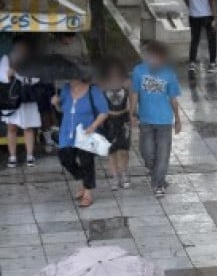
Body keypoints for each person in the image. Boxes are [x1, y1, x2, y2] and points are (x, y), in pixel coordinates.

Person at [130, 41, 182, 197]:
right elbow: (134, 93)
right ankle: (157, 175)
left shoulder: (169, 74)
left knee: (163, 154)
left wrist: (178, 119)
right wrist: (131, 113)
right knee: (146, 152)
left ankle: (158, 183)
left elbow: (173, 99)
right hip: (145, 119)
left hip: (165, 120)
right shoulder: (139, 71)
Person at [52, 69, 107, 207]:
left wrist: (93, 126)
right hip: (67, 132)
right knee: (65, 159)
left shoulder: (93, 90)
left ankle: (87, 192)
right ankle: (85, 179)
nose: (68, 79)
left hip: (86, 133)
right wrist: (56, 103)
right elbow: (62, 109)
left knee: (86, 161)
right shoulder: (65, 90)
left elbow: (104, 112)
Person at [1, 37, 42, 168]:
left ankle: (30, 155)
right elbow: (2, 77)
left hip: (27, 97)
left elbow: (37, 77)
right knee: (11, 128)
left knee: (28, 128)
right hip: (12, 97)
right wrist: (10, 75)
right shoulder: (7, 59)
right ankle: (12, 156)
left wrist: (25, 77)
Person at [99, 60, 132, 189]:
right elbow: (101, 107)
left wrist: (125, 112)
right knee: (111, 150)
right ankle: (115, 176)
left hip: (123, 122)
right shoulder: (102, 87)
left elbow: (130, 105)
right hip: (108, 123)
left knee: (124, 149)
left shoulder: (127, 85)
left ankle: (124, 173)